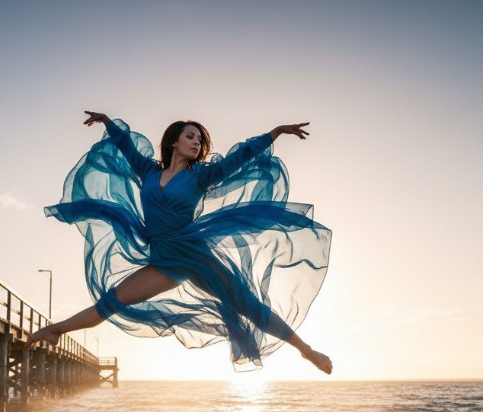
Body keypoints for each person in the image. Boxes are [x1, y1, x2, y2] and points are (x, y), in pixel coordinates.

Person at [27, 111, 333, 374]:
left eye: (200, 139)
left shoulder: (201, 175)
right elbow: (126, 147)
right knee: (111, 302)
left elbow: (240, 158)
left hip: (193, 255)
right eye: (190, 136)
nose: (197, 142)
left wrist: (275, 133)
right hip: (162, 259)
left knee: (246, 305)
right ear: (174, 141)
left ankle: (306, 350)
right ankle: (55, 330)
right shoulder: (148, 171)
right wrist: (108, 122)